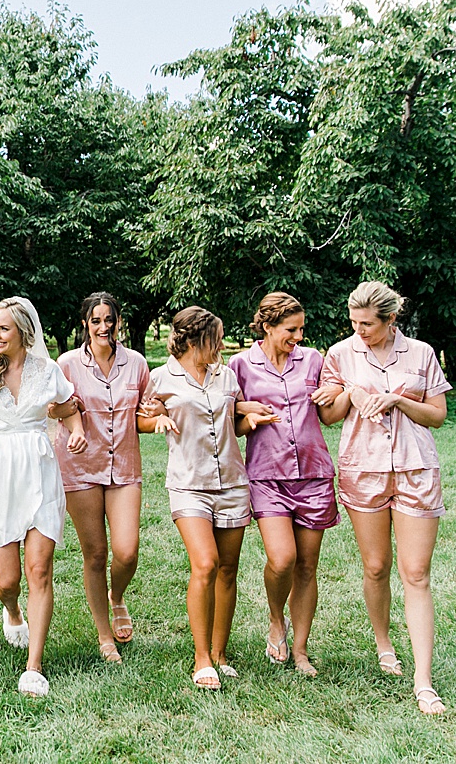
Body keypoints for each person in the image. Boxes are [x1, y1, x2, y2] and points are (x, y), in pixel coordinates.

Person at [319, 281, 451, 715]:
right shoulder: (340, 354)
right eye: (354, 323)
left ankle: (423, 680)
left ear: (391, 320)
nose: (360, 330)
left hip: (415, 469)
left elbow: (437, 416)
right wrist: (350, 394)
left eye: (368, 324)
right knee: (376, 566)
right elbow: (329, 415)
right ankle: (383, 643)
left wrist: (397, 399)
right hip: (364, 469)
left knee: (416, 573)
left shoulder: (421, 353)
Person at [0, 297, 87, 697]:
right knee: (6, 580)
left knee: (39, 570)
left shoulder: (48, 371)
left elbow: (66, 408)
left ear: (24, 333)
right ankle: (12, 611)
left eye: (3, 328)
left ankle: (34, 665)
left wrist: (74, 429)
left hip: (40, 472)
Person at [145, 306, 277, 691]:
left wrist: (248, 418)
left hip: (233, 482)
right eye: (215, 339)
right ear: (194, 339)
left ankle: (220, 653)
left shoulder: (226, 376)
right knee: (205, 563)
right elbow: (142, 416)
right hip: (189, 482)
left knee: (228, 570)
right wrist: (157, 420)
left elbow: (231, 420)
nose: (221, 346)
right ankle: (201, 658)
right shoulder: (161, 378)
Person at [229, 292, 338, 676]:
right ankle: (277, 620)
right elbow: (233, 425)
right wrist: (248, 416)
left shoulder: (313, 360)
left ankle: (302, 649)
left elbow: (328, 415)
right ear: (268, 327)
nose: (298, 336)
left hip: (313, 473)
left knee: (307, 566)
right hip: (266, 473)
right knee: (283, 559)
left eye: (301, 329)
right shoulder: (241, 365)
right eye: (291, 329)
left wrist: (338, 393)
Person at [50, 292, 152, 664]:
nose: (103, 327)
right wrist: (71, 414)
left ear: (118, 322)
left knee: (126, 551)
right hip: (80, 467)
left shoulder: (137, 364)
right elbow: (53, 407)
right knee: (95, 554)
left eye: (109, 319)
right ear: (85, 324)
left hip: (124, 467)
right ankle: (104, 635)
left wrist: (155, 414)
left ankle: (117, 595)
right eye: (96, 320)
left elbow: (144, 414)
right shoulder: (68, 364)